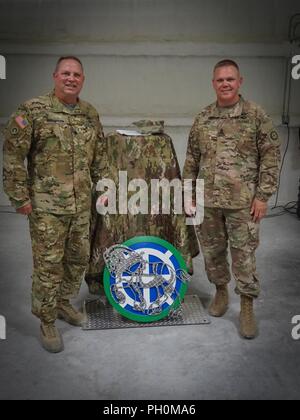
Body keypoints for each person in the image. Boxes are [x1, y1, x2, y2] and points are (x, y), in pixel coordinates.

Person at [3, 56, 107, 352]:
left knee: (76, 260)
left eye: (76, 74)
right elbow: (12, 155)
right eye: (65, 73)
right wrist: (19, 196)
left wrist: (104, 188)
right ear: (55, 76)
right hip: (47, 207)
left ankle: (64, 303)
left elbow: (99, 155)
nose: (71, 78)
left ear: (82, 80)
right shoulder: (32, 110)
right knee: (48, 266)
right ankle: (47, 319)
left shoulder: (89, 113)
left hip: (82, 205)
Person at [183, 59, 281, 339]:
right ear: (213, 83)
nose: (225, 84)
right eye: (220, 80)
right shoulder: (203, 117)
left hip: (242, 203)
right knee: (213, 254)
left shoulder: (255, 115)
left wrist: (263, 196)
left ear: (240, 81)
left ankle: (247, 306)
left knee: (243, 256)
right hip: (208, 202)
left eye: (230, 79)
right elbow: (192, 159)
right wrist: (188, 195)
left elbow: (270, 158)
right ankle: (221, 292)